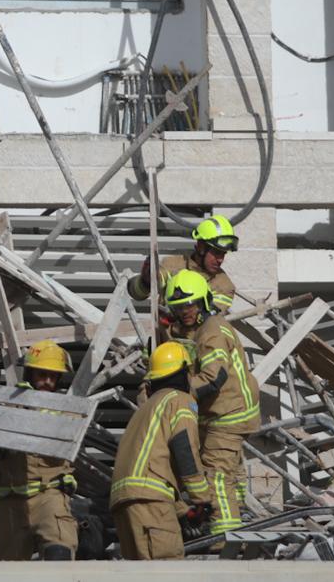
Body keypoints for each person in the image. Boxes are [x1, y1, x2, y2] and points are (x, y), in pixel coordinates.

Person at [0, 340, 78, 560]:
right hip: (10, 503)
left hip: (49, 497)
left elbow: (60, 430)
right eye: (42, 375)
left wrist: (29, 408)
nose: (48, 382)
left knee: (59, 554)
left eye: (53, 377)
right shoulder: (9, 407)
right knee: (8, 570)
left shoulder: (67, 410)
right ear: (30, 374)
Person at [164, 270, 260, 537]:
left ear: (203, 301)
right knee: (231, 475)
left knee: (216, 476)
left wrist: (172, 391)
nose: (184, 311)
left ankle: (225, 539)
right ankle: (239, 519)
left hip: (228, 416)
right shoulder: (201, 328)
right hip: (226, 413)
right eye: (178, 306)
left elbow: (212, 378)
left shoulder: (212, 332)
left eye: (190, 304)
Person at [111, 341, 210, 560]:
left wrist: (182, 511)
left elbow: (151, 465)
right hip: (150, 503)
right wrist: (202, 499)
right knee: (167, 570)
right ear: (185, 372)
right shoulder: (180, 400)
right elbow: (185, 449)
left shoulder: (145, 409)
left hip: (124, 504)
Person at [128, 214, 238, 314]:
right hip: (162, 334)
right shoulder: (172, 265)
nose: (220, 260)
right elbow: (137, 294)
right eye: (216, 253)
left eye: (223, 254)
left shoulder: (224, 286)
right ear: (201, 247)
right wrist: (145, 282)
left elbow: (207, 319)